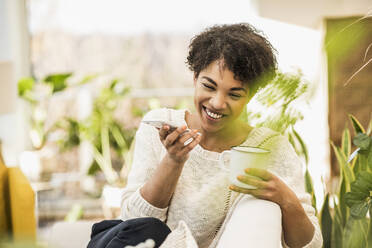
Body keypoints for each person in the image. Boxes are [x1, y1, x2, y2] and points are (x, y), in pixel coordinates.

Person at [89, 23, 323, 248]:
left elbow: (310, 244)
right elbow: (134, 223)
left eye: (234, 94)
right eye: (209, 86)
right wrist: (173, 161)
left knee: (264, 208)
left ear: (250, 96)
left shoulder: (271, 146)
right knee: (148, 228)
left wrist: (284, 197)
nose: (217, 103)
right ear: (195, 79)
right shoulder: (161, 125)